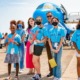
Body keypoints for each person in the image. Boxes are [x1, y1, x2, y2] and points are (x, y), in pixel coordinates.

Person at [44, 12, 53, 77]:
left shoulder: (56, 22)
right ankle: (51, 71)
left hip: (55, 42)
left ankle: (56, 72)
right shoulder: (45, 25)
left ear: (52, 16)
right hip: (48, 42)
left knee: (56, 57)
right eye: (48, 16)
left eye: (50, 16)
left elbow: (64, 30)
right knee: (50, 57)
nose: (49, 17)